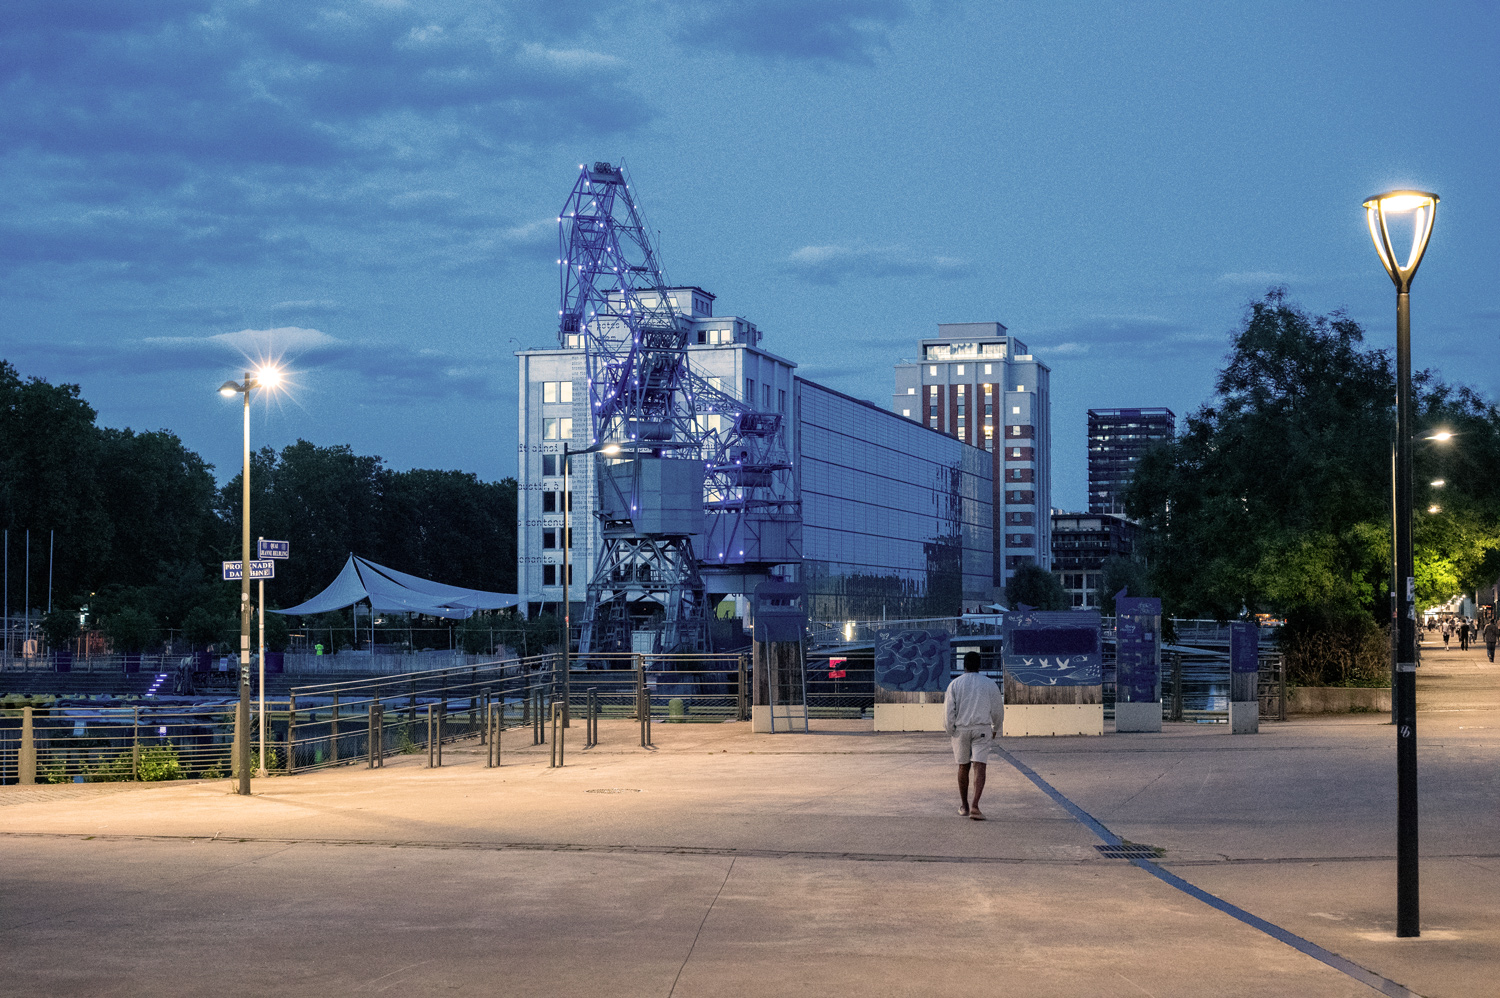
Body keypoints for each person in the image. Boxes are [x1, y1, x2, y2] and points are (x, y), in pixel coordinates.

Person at [944, 650, 1005, 820]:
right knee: (980, 766)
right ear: (979, 665)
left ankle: (964, 806)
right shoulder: (989, 684)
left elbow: (949, 710)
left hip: (961, 730)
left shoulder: (955, 684)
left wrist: (950, 730)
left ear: (964, 665)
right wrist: (996, 727)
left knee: (963, 766)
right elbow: (998, 709)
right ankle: (975, 806)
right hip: (982, 729)